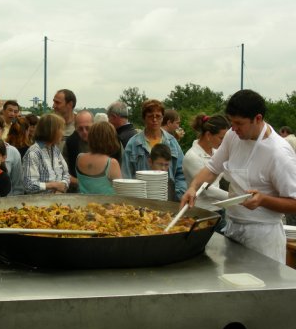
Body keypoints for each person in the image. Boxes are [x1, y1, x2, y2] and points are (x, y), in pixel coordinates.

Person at [180, 89, 296, 263]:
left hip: (263, 236)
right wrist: (193, 187)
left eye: (239, 123)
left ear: (257, 119)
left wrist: (263, 200)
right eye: (231, 122)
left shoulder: (279, 153)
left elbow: (294, 203)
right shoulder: (233, 136)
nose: (234, 128)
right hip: (233, 227)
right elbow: (212, 168)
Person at [122, 99, 187, 201]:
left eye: (158, 116)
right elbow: (126, 175)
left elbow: (181, 172)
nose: (155, 120)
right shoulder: (133, 144)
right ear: (144, 118)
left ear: (162, 117)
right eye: (150, 116)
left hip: (168, 199)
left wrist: (178, 194)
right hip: (141, 201)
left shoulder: (172, 142)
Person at [183, 114, 230, 212]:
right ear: (208, 135)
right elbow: (207, 189)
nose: (224, 142)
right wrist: (235, 198)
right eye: (221, 138)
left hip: (218, 208)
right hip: (202, 211)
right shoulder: (192, 156)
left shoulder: (216, 152)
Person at [22, 113, 70, 194]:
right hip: (38, 204)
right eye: (61, 129)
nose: (63, 133)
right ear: (51, 131)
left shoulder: (55, 150)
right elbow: (29, 185)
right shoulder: (33, 153)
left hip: (57, 202)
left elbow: (66, 174)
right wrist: (53, 185)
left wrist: (61, 187)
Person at [76, 121, 121, 194]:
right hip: (105, 204)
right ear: (110, 139)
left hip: (83, 203)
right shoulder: (111, 163)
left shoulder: (79, 157)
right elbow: (120, 190)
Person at [63, 110, 94, 191]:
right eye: (80, 129)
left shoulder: (104, 141)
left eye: (88, 128)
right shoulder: (70, 143)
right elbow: (63, 173)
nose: (84, 132)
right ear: (75, 127)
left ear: (94, 125)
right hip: (76, 190)